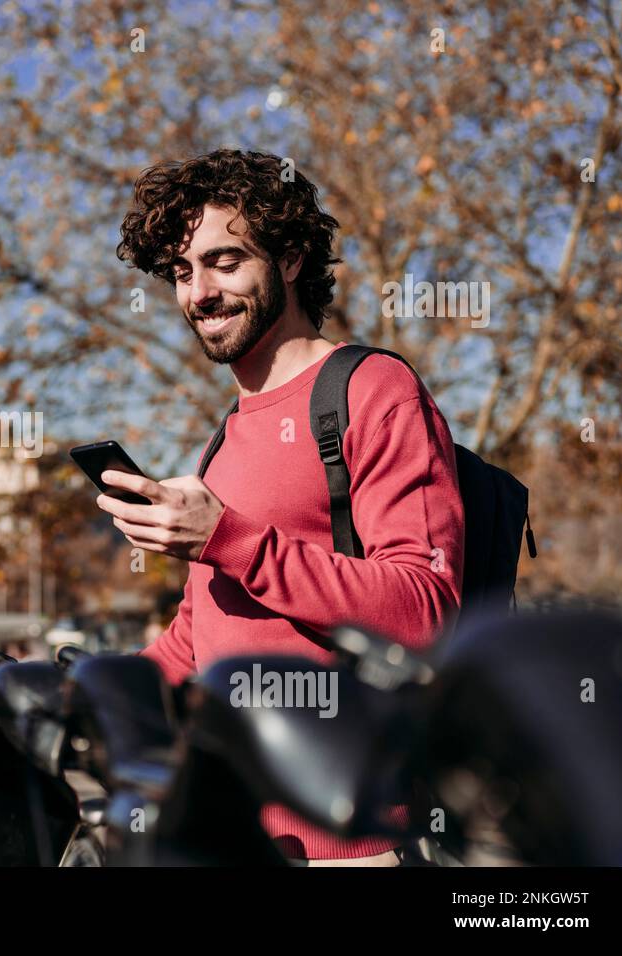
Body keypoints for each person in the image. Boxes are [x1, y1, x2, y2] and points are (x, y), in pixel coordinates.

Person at [102, 148, 465, 865]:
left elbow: (425, 610)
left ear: (292, 259)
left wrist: (230, 539)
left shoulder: (372, 390)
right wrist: (98, 692)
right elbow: (202, 635)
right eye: (181, 273)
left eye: (225, 262)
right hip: (230, 839)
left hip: (351, 847)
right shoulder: (223, 441)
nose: (199, 292)